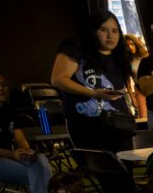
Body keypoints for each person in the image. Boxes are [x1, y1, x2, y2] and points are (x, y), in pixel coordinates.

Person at [51, 10, 136, 152]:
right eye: (103, 30)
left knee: (124, 164)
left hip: (119, 125)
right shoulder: (76, 47)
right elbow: (58, 79)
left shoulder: (120, 55)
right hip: (87, 126)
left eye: (115, 31)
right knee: (98, 163)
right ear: (93, 31)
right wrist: (94, 93)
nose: (110, 35)